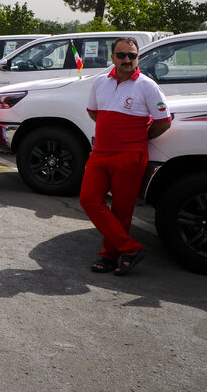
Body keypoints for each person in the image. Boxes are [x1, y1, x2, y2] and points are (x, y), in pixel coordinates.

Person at [80, 38, 171, 276]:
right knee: (89, 200)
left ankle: (110, 256)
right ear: (113, 58)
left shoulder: (147, 85)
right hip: (100, 154)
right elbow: (93, 112)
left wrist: (138, 138)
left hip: (130, 156)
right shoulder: (100, 82)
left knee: (122, 210)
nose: (127, 60)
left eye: (132, 55)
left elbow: (163, 121)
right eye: (121, 55)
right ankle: (130, 248)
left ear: (138, 57)